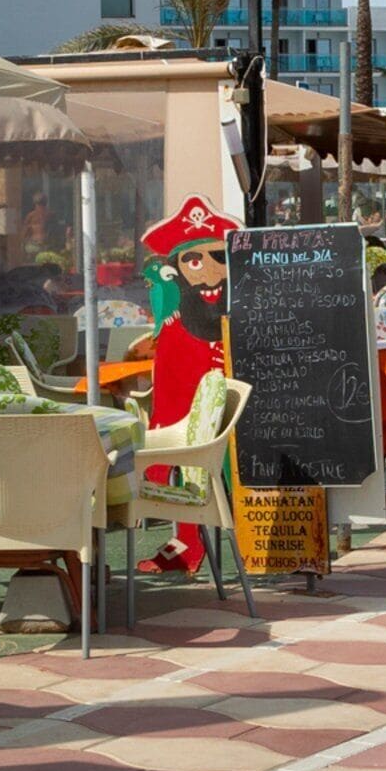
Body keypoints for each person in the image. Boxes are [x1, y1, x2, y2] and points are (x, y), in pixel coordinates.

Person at [132, 197, 233, 575]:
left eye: (219, 258)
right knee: (174, 466)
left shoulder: (241, 316)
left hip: (238, 425)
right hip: (185, 429)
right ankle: (187, 542)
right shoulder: (174, 331)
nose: (210, 274)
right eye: (194, 261)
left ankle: (252, 543)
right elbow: (169, 399)